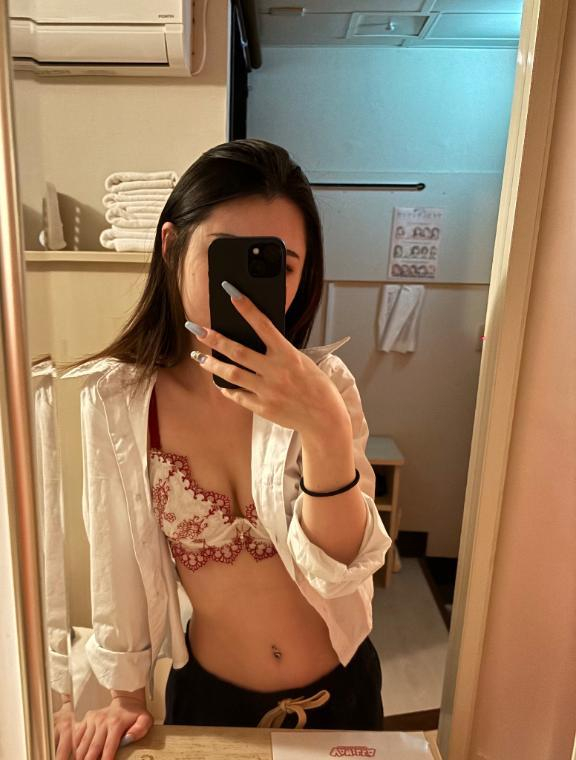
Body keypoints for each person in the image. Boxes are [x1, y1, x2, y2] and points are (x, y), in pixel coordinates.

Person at [62, 139, 392, 760]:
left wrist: (322, 424)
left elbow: (345, 567)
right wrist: (125, 695)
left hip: (342, 693)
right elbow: (115, 553)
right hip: (209, 701)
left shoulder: (328, 387)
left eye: (277, 265)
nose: (243, 290)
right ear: (170, 247)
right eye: (225, 257)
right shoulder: (119, 400)